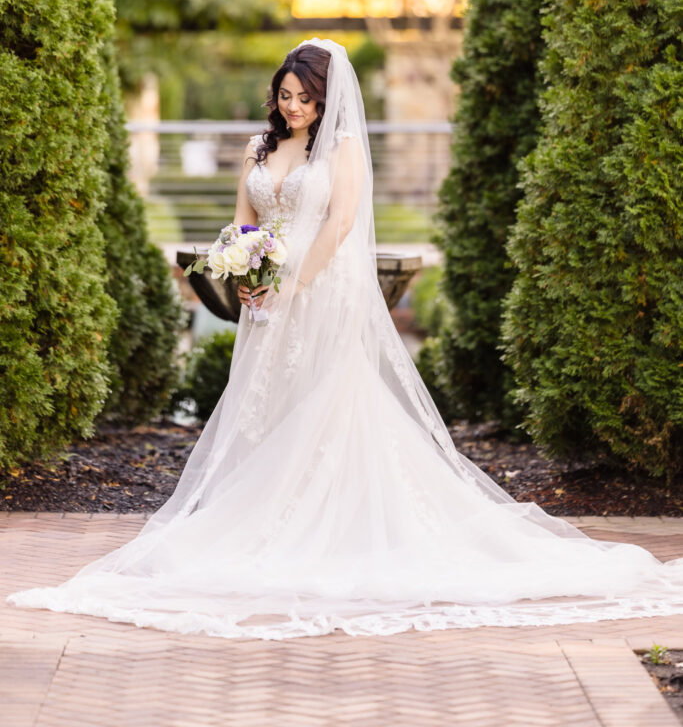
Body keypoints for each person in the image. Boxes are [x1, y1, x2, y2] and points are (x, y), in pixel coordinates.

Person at [7, 38, 683, 639]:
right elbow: (245, 217)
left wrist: (295, 281)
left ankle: (329, 521)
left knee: (326, 401)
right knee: (264, 404)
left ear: (325, 99)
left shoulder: (344, 146)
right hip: (266, 291)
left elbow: (340, 223)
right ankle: (264, 517)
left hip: (319, 288)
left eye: (303, 97)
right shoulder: (260, 146)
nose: (292, 105)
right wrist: (246, 270)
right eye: (284, 94)